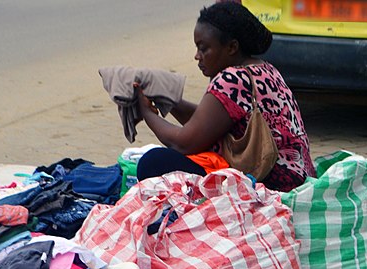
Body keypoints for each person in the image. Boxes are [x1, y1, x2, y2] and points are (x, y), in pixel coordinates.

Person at [134, 1, 315, 192]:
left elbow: (183, 143)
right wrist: (170, 103)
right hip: (298, 175)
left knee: (153, 162)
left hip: (271, 181)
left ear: (231, 47)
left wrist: (147, 113)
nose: (197, 56)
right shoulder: (265, 68)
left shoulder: (231, 79)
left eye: (204, 48)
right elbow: (208, 122)